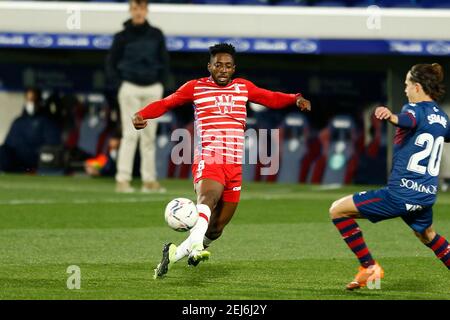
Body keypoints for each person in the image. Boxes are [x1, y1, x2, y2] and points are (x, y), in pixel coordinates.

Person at [132, 43, 311, 279]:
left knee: (216, 229)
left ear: (234, 68)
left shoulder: (243, 87)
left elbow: (270, 98)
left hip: (234, 165)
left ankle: (174, 254)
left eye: (228, 66)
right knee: (209, 197)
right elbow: (167, 102)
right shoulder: (195, 87)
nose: (223, 70)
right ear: (210, 66)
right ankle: (196, 248)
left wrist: (295, 99)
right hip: (210, 157)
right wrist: (142, 113)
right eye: (218, 65)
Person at [329, 63, 450, 290]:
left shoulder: (413, 109)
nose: (405, 90)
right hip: (425, 196)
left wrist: (391, 116)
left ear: (416, 86)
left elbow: (408, 120)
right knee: (427, 235)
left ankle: (369, 267)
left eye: (406, 85)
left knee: (337, 210)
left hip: (401, 194)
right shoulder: (442, 117)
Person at [106, 0, 170, 193]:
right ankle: (123, 180)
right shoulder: (121, 36)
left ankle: (149, 181)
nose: (138, 12)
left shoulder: (157, 35)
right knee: (130, 135)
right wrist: (120, 85)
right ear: (130, 10)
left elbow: (164, 62)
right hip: (130, 88)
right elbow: (111, 63)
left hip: (152, 89)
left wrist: (161, 84)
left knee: (149, 137)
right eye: (135, 8)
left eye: (141, 8)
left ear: (146, 10)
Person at [0, 88, 61, 173]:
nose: (31, 103)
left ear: (39, 101)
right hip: (17, 161)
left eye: (33, 100)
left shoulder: (47, 122)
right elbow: (8, 144)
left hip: (39, 162)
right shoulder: (18, 122)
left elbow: (53, 144)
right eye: (29, 100)